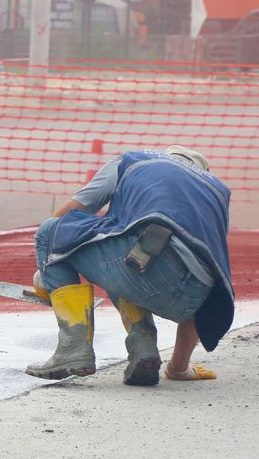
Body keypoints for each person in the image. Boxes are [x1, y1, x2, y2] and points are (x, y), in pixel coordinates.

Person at [26, 146, 233, 386]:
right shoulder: (217, 192)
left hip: (140, 263)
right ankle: (143, 347)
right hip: (194, 301)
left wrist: (48, 265)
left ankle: (73, 349)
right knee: (134, 255)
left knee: (51, 232)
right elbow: (213, 276)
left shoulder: (135, 160)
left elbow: (69, 214)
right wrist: (178, 368)